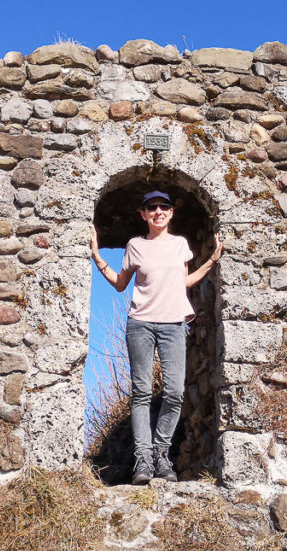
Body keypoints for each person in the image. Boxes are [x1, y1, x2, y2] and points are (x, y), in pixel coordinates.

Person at [90, 191, 223, 485]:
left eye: (164, 206)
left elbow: (183, 282)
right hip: (140, 325)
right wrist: (98, 257)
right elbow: (120, 284)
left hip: (174, 324)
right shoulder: (135, 245)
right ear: (144, 214)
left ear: (171, 213)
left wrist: (212, 261)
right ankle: (143, 460)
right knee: (141, 394)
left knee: (174, 392)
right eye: (152, 207)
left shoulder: (180, 245)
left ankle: (161, 454)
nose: (158, 211)